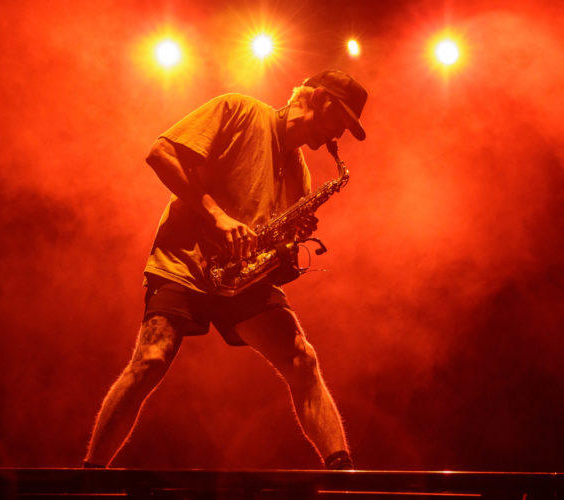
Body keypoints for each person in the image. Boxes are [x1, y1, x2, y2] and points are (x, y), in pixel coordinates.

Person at [83, 70, 367, 470]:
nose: (339, 134)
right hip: (185, 262)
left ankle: (342, 474)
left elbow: (276, 247)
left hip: (242, 278)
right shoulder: (239, 109)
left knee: (302, 359)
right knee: (150, 360)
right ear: (319, 98)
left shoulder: (300, 172)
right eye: (341, 120)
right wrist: (217, 216)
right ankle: (91, 474)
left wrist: (291, 243)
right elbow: (159, 154)